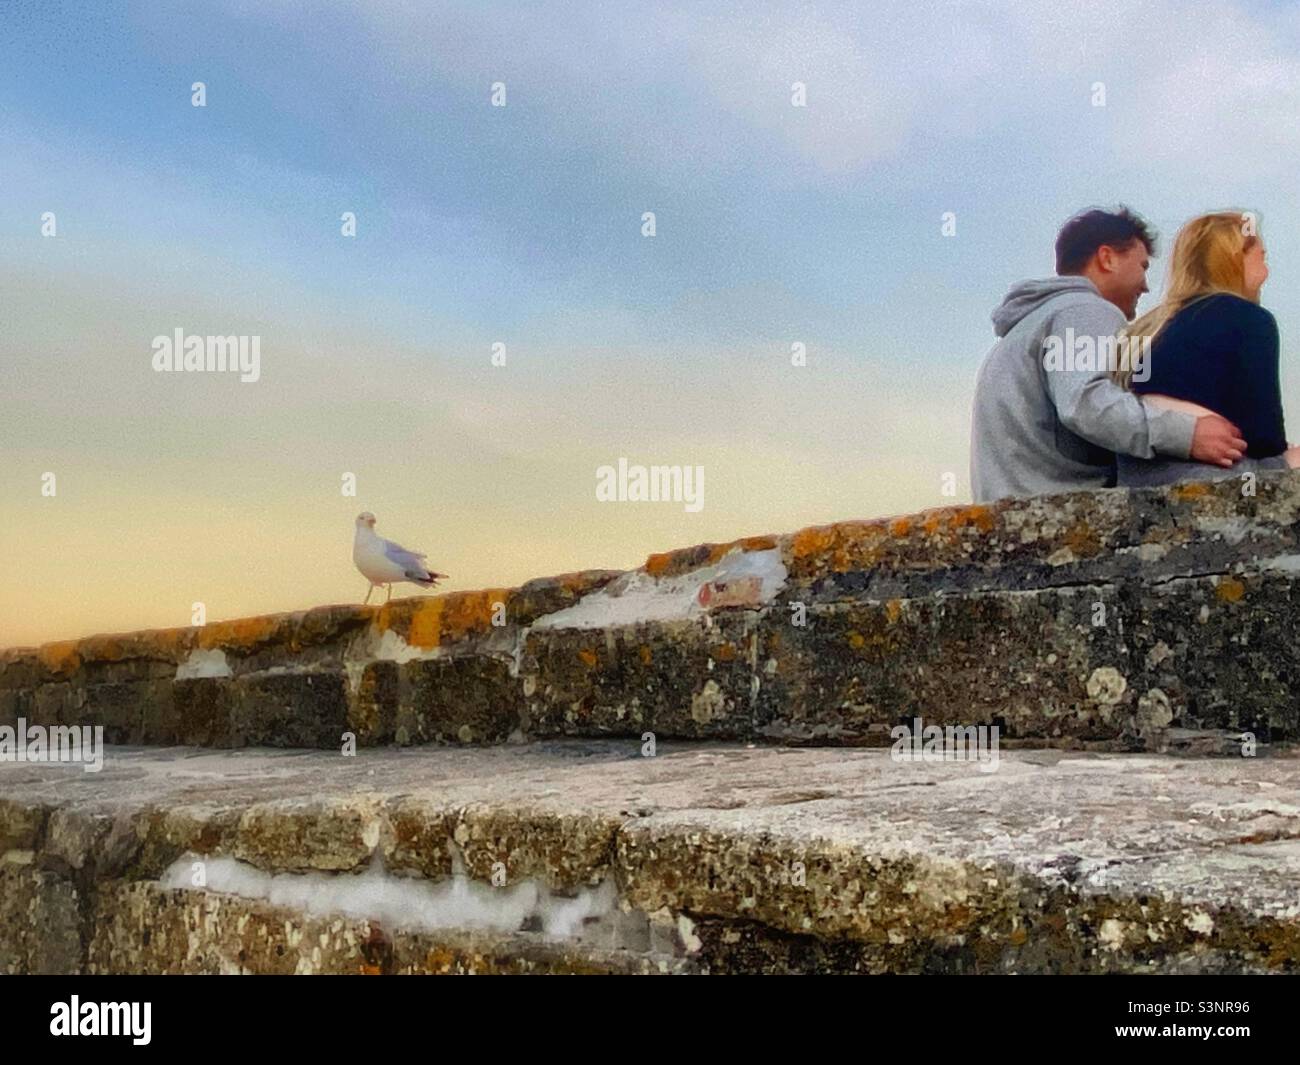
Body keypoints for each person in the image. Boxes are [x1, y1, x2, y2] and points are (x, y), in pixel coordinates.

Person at [971, 206, 1245, 502]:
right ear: (1107, 258)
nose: (1146, 284)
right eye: (1142, 266)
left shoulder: (1029, 325)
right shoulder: (1084, 310)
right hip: (1061, 512)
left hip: (1018, 512)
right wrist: (1186, 434)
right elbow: (1086, 403)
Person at [1113, 211, 1300, 486]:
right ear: (1236, 258)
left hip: (1135, 480)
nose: (1267, 271)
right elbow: (1265, 440)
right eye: (1262, 257)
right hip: (1210, 478)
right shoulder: (1248, 318)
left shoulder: (1151, 325)